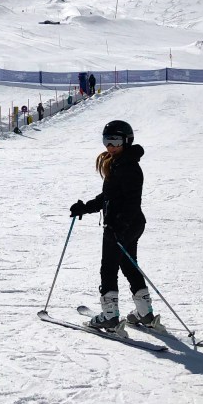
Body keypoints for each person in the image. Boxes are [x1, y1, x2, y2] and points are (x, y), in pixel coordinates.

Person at [69, 120, 154, 333]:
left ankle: (109, 317)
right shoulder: (119, 163)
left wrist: (119, 225)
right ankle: (144, 313)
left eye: (115, 141)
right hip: (130, 225)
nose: (110, 146)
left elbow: (132, 201)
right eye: (107, 140)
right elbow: (108, 197)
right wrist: (85, 208)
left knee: (108, 268)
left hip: (122, 225)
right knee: (129, 265)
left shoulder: (128, 167)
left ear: (127, 140)